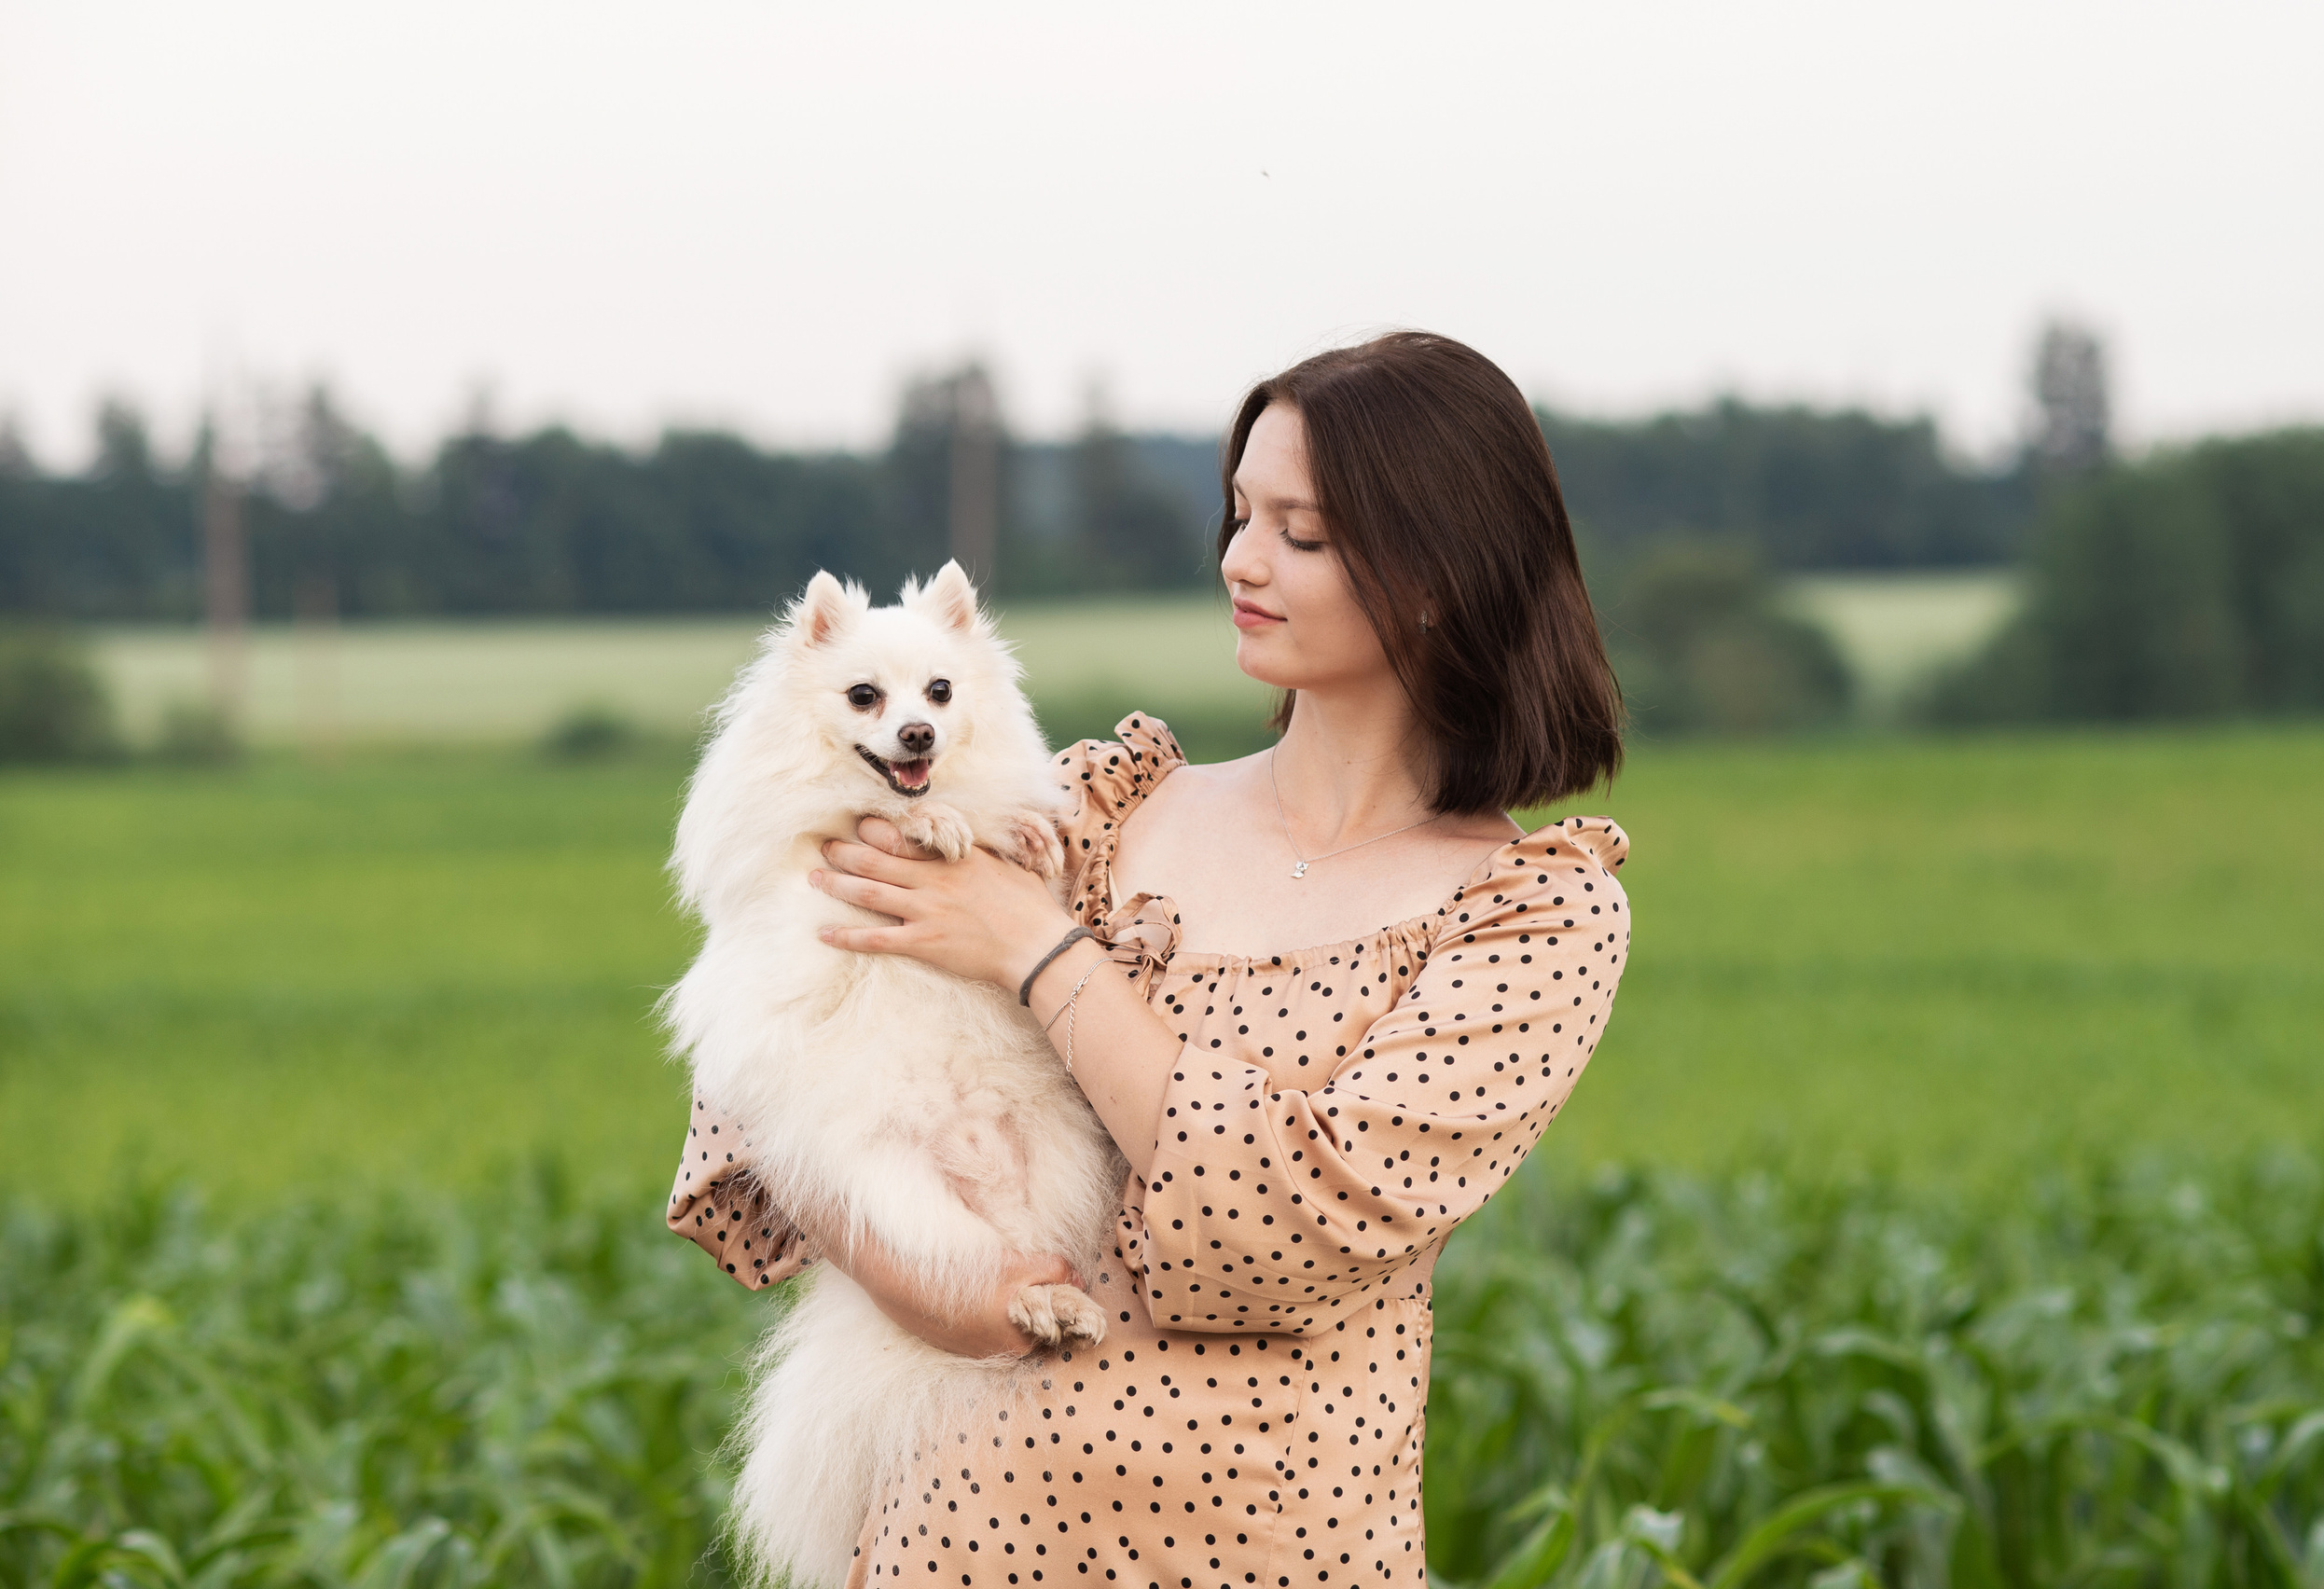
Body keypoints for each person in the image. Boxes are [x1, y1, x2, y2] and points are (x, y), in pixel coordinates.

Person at [668, 330, 1631, 1587]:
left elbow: (1268, 1244)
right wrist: (937, 1289)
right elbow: (760, 1078)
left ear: (1440, 573)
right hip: (941, 1551)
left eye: (1305, 532)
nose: (1240, 560)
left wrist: (1036, 949)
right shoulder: (1088, 810)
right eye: (1239, 514)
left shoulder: (1527, 921)